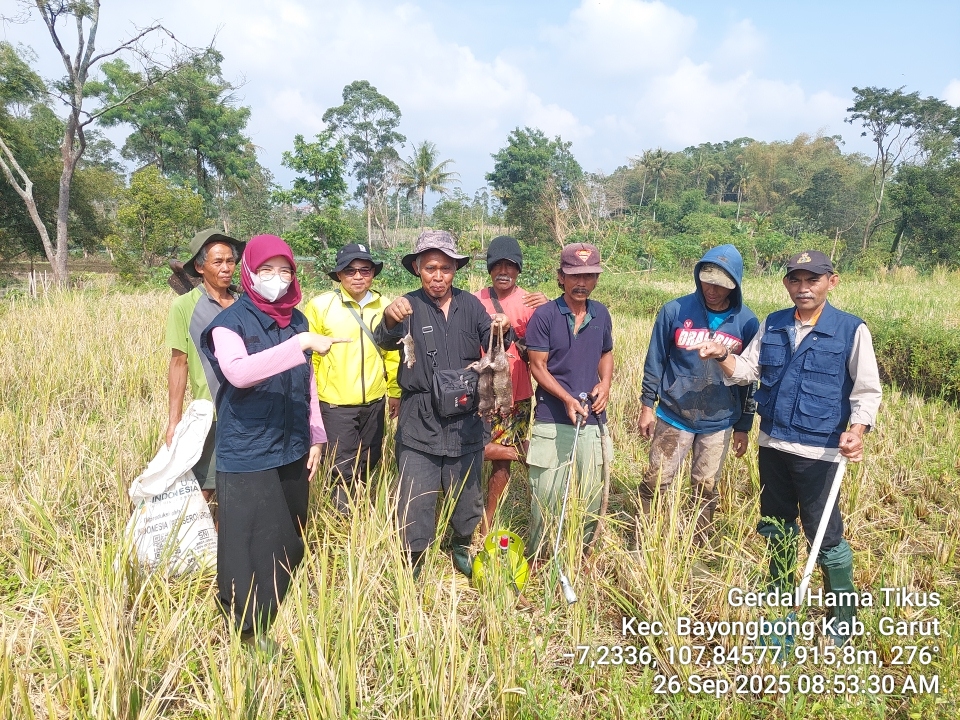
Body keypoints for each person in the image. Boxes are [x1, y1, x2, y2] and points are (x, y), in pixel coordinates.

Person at [692, 250, 881, 646]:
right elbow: (747, 371)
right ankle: (779, 610)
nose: (803, 288)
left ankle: (842, 617)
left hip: (820, 451)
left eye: (813, 279)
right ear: (786, 284)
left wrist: (857, 431)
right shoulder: (774, 324)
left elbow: (866, 391)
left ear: (833, 281)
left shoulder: (851, 330)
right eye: (796, 280)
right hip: (772, 443)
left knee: (824, 535)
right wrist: (723, 355)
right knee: (777, 526)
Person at [200, 234, 349, 646]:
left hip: (293, 442)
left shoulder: (296, 319)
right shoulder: (228, 324)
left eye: (285, 271)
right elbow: (239, 373)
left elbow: (308, 382)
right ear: (249, 272)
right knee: (247, 538)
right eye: (267, 270)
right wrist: (298, 344)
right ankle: (246, 626)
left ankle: (274, 604)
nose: (277, 279)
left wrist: (316, 434)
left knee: (285, 531)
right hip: (248, 446)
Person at [374, 231, 510, 578]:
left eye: (446, 269)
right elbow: (384, 340)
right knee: (416, 492)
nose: (438, 276)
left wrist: (501, 328)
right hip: (420, 415)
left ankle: (461, 545)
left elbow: (492, 341)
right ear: (417, 268)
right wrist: (389, 318)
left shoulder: (471, 305)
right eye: (431, 268)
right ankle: (415, 559)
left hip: (466, 415)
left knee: (467, 490)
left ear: (455, 271)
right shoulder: (406, 305)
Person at [637, 244, 759, 544]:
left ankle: (699, 545)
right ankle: (644, 540)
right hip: (673, 414)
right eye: (707, 281)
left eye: (721, 285)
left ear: (735, 284)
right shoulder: (675, 310)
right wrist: (646, 405)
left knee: (705, 486)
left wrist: (743, 426)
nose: (712, 290)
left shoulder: (747, 322)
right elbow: (656, 360)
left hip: (718, 420)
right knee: (656, 481)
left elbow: (750, 379)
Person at [524, 243, 613, 562]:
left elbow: (606, 353)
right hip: (552, 421)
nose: (582, 283)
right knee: (546, 499)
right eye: (575, 275)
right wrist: (565, 398)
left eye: (589, 276)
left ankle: (581, 559)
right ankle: (539, 561)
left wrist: (605, 383)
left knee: (591, 498)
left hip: (592, 421)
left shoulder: (601, 313)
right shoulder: (544, 316)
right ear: (560, 277)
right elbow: (538, 366)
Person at [304, 243, 401, 514]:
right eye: (350, 271)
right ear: (339, 275)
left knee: (370, 461)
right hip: (335, 405)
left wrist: (394, 391)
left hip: (374, 401)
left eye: (364, 270)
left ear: (373, 274)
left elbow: (392, 353)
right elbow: (311, 358)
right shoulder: (321, 306)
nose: (358, 276)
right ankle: (343, 520)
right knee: (340, 468)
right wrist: (312, 400)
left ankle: (365, 513)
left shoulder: (385, 306)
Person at [473, 235, 548, 535]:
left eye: (510, 265)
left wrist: (549, 309)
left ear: (519, 269)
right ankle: (524, 453)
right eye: (497, 265)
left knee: (499, 466)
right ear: (489, 268)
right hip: (479, 392)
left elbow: (545, 348)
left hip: (515, 393)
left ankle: (487, 522)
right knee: (476, 449)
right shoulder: (474, 299)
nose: (504, 270)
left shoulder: (531, 303)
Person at [165, 228, 245, 502]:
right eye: (217, 262)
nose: (226, 268)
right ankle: (197, 541)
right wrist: (174, 420)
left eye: (230, 261)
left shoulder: (244, 304)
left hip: (248, 411)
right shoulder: (184, 306)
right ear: (199, 267)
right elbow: (179, 363)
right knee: (207, 486)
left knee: (238, 487)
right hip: (211, 412)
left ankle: (227, 543)